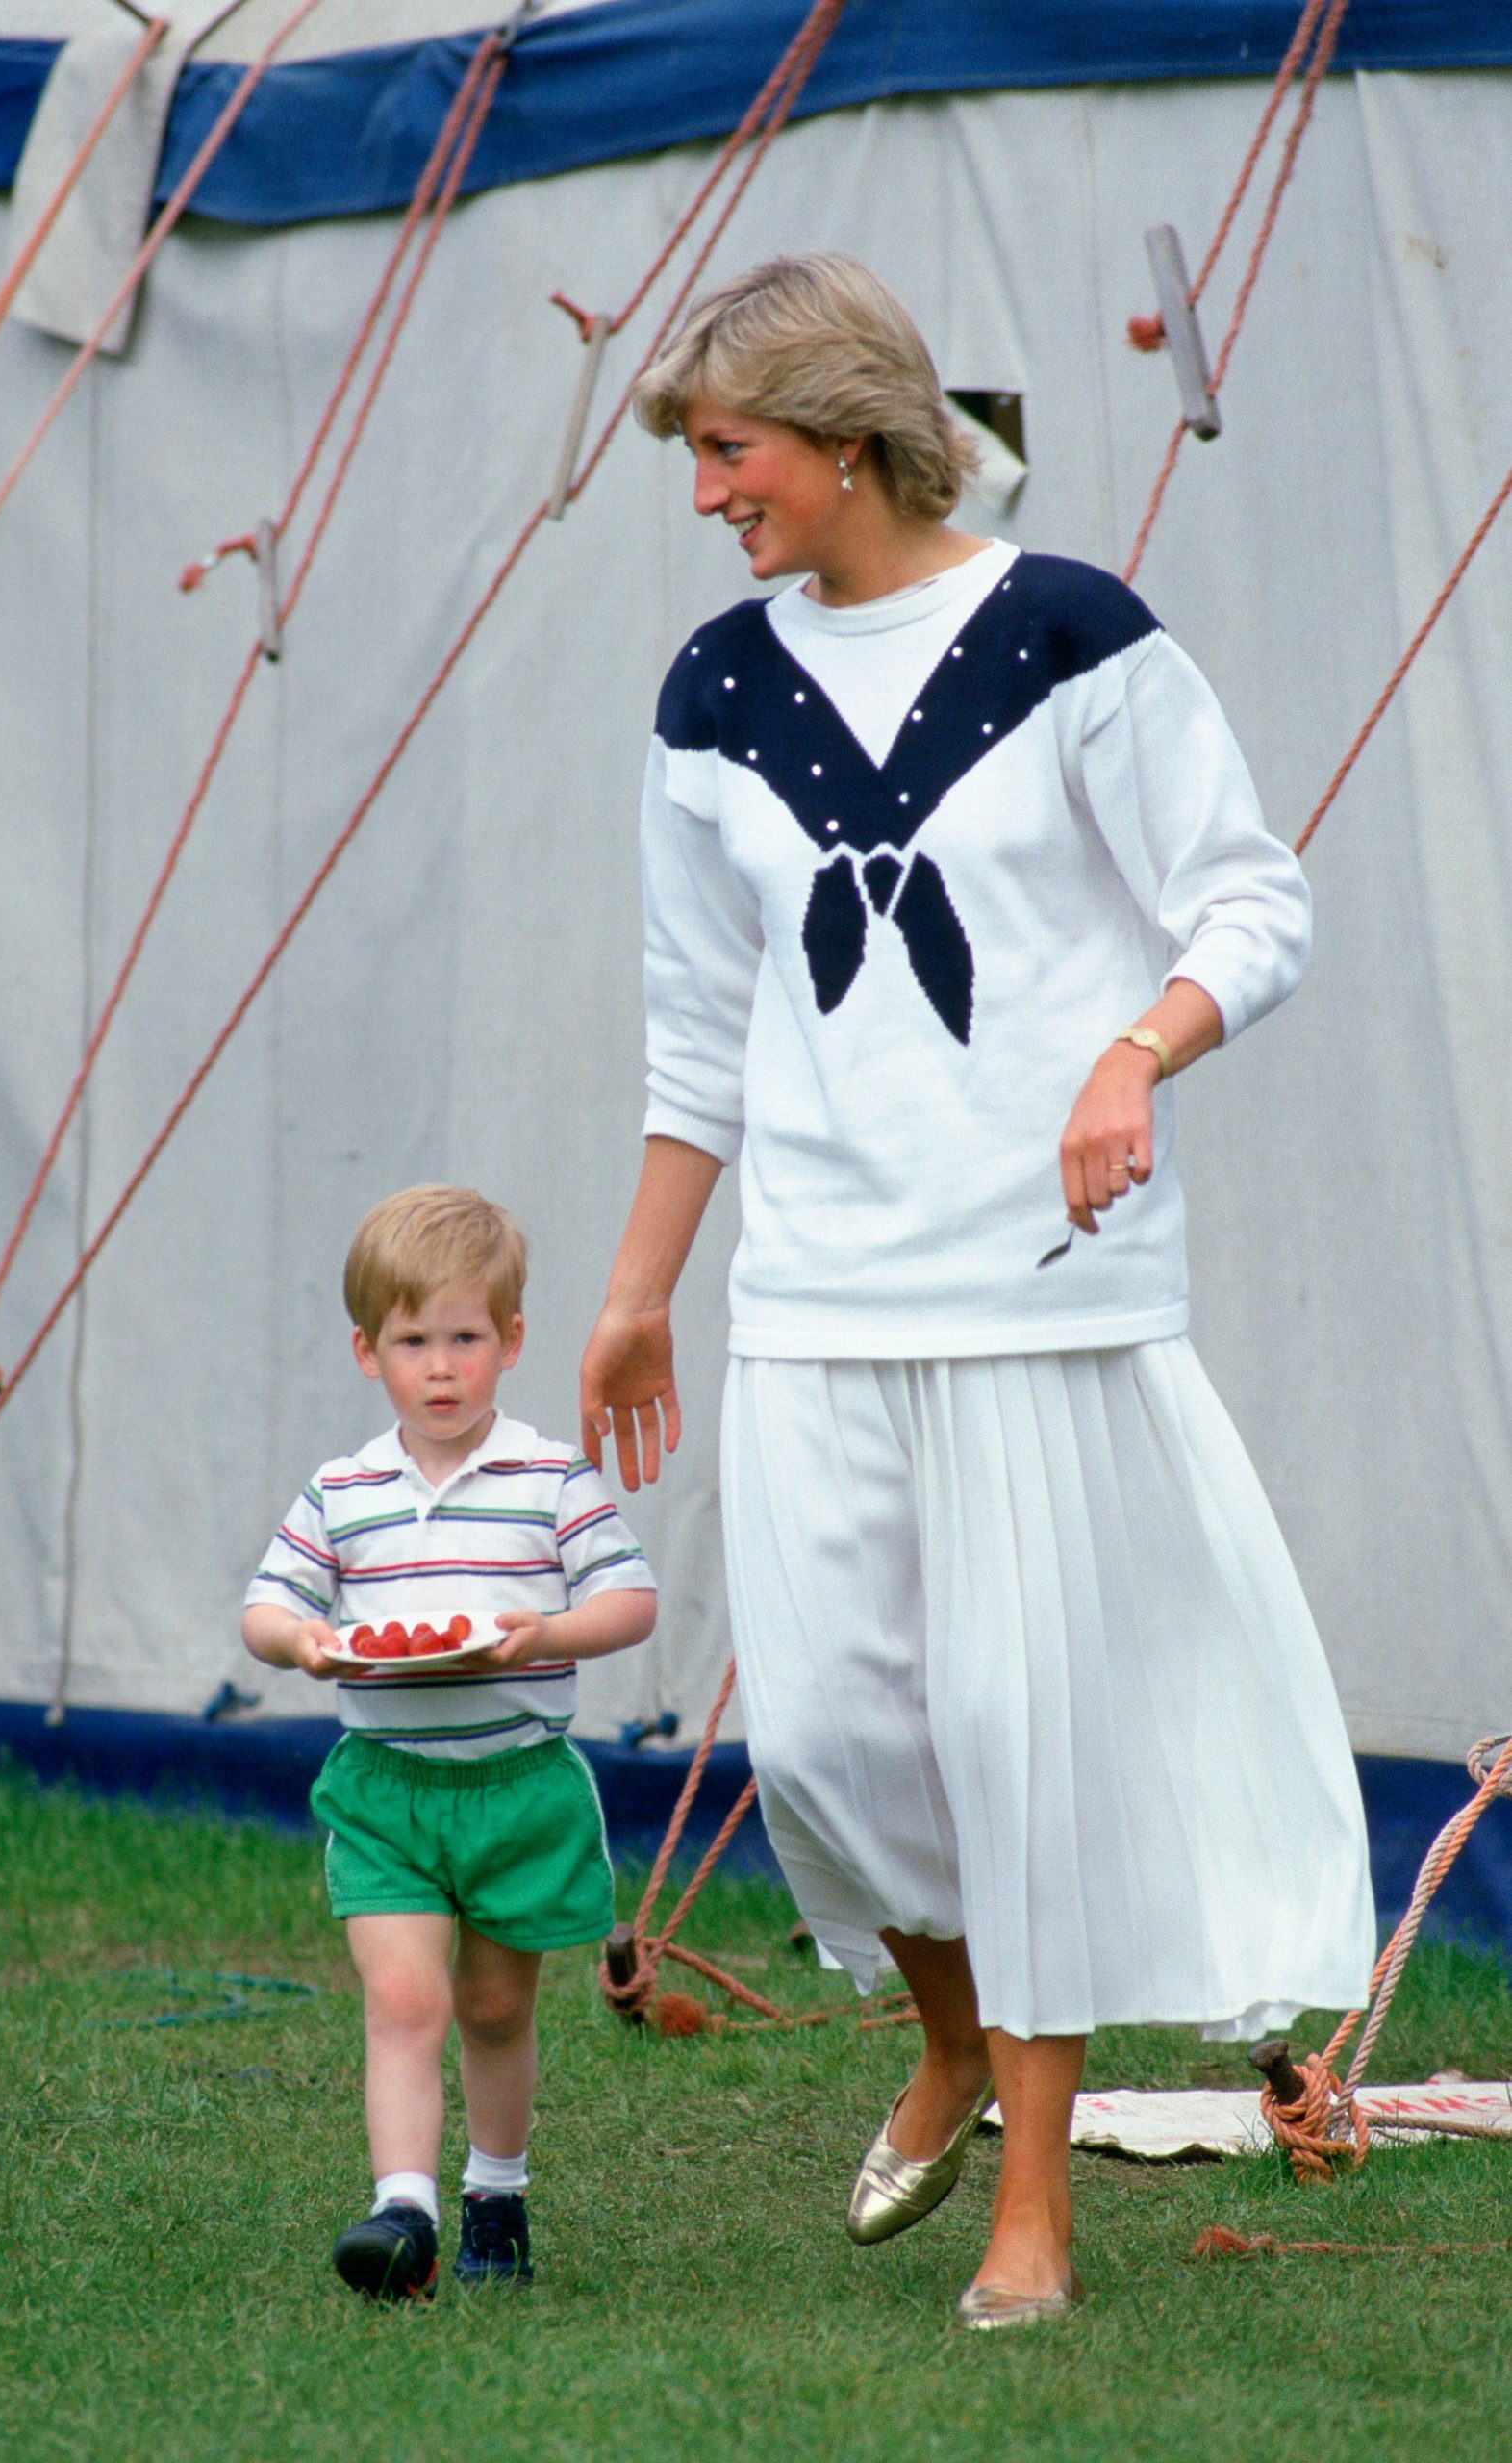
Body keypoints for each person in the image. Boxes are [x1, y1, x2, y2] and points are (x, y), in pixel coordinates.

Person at [579, 255, 1373, 2330]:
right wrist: (639, 1291)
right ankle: (940, 2030)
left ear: (846, 440)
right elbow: (692, 1019)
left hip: (1037, 1296)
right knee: (834, 1742)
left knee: (1017, 1742)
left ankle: (1036, 2201)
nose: (704, 494)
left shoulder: (1066, 632)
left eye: (725, 451)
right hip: (814, 1296)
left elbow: (1250, 894)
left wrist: (1135, 1049)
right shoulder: (709, 691)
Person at [244, 1185, 656, 2301]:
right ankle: (403, 2211)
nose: (439, 1367)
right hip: (385, 1791)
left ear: (510, 1341)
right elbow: (264, 1610)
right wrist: (308, 1643)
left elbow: (630, 1600)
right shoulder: (343, 1489)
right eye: (412, 1341)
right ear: (366, 1349)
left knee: (490, 2007)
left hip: (513, 1785)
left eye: (463, 1338)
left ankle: (496, 2190)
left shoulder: (549, 1476)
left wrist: (544, 1633)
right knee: (406, 2002)